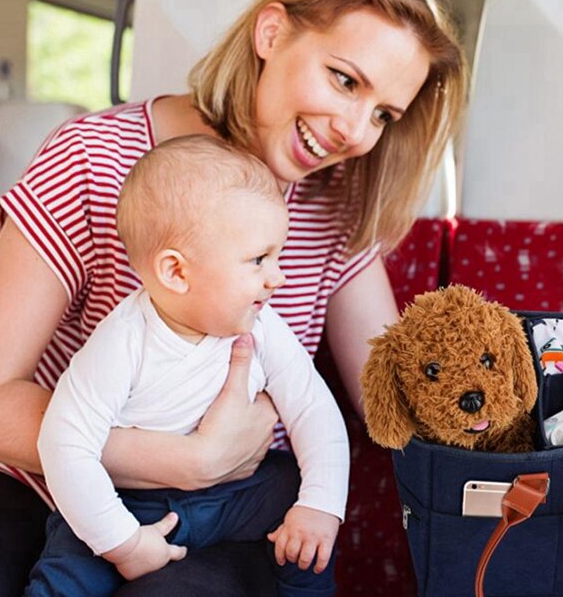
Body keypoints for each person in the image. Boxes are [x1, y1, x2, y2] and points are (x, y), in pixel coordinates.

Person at [0, 0, 467, 597]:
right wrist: (183, 460)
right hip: (28, 480)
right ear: (272, 33)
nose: (354, 129)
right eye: (345, 80)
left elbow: (399, 395)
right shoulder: (91, 159)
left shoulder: (337, 207)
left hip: (230, 511)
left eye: (383, 115)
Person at [25, 135, 348, 596]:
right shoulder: (122, 342)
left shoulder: (264, 326)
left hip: (234, 495)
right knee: (69, 564)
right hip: (131, 500)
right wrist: (125, 543)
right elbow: (64, 444)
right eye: (258, 259)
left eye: (277, 256)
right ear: (177, 272)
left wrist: (319, 505)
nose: (277, 278)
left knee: (290, 485)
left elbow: (313, 409)